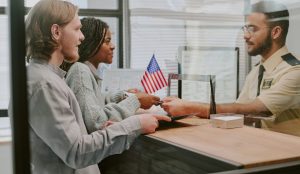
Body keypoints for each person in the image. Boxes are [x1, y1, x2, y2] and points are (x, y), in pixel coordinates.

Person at [23, 0, 171, 174]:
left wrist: (113, 126)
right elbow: (76, 152)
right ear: (56, 32)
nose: (82, 37)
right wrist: (135, 124)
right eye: (77, 29)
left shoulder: (48, 79)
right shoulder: (45, 84)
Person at [162, 0, 300, 136]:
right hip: (258, 148)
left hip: (287, 154)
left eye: (252, 29)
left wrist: (190, 107)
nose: (245, 36)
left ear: (275, 32)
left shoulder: (294, 71)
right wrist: (189, 113)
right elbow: (238, 112)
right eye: (245, 29)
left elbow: (255, 109)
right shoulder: (256, 71)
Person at [63, 17, 160, 133]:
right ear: (92, 43)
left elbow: (96, 103)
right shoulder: (80, 71)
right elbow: (97, 122)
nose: (113, 46)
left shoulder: (87, 71)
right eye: (107, 41)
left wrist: (123, 95)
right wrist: (136, 100)